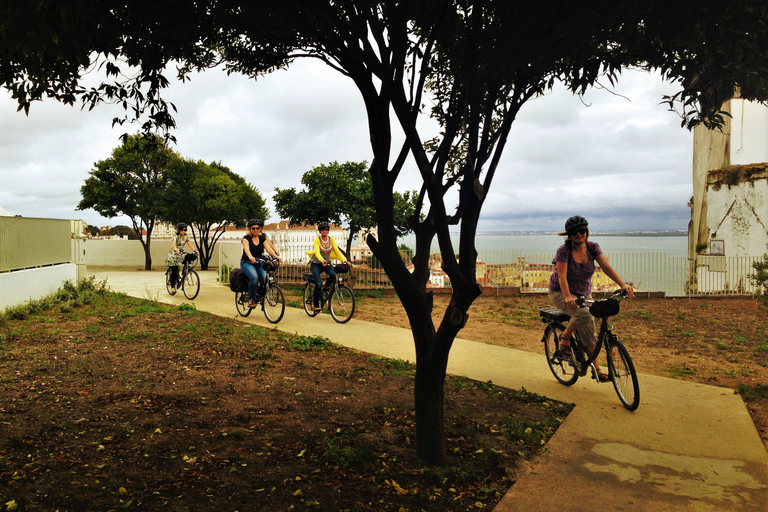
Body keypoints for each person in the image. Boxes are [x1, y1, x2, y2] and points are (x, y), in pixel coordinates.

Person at [548, 215, 634, 382]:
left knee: (589, 328)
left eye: (582, 231)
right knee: (585, 315)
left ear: (587, 231)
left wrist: (623, 285)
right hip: (560, 292)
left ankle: (597, 369)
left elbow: (606, 267)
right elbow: (562, 277)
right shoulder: (563, 251)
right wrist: (567, 297)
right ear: (569, 235)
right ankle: (565, 337)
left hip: (583, 293)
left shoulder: (593, 248)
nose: (579, 234)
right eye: (574, 232)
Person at [306, 222, 348, 313]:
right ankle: (316, 305)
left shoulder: (331, 239)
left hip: (327, 263)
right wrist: (321, 260)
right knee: (318, 283)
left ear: (328, 231)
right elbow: (317, 252)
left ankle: (326, 287)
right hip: (316, 263)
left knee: (333, 275)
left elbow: (336, 251)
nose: (325, 231)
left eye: (326, 230)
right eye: (323, 230)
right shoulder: (317, 240)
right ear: (320, 231)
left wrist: (344, 260)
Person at [241, 219, 281, 308]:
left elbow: (268, 248)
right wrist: (251, 257)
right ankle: (251, 298)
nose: (255, 230)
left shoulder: (262, 238)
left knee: (264, 279)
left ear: (260, 229)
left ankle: (258, 297)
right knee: (254, 277)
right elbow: (246, 249)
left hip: (259, 262)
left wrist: (276, 256)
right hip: (247, 262)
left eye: (257, 228)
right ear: (250, 229)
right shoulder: (246, 238)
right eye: (253, 228)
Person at [166, 223, 197, 295]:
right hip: (174, 254)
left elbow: (189, 244)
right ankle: (173, 287)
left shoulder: (186, 237)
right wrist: (175, 249)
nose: (185, 231)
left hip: (181, 253)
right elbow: (173, 244)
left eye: (186, 229)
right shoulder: (175, 237)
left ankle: (184, 273)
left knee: (192, 256)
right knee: (174, 270)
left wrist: (195, 251)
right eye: (183, 229)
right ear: (180, 230)